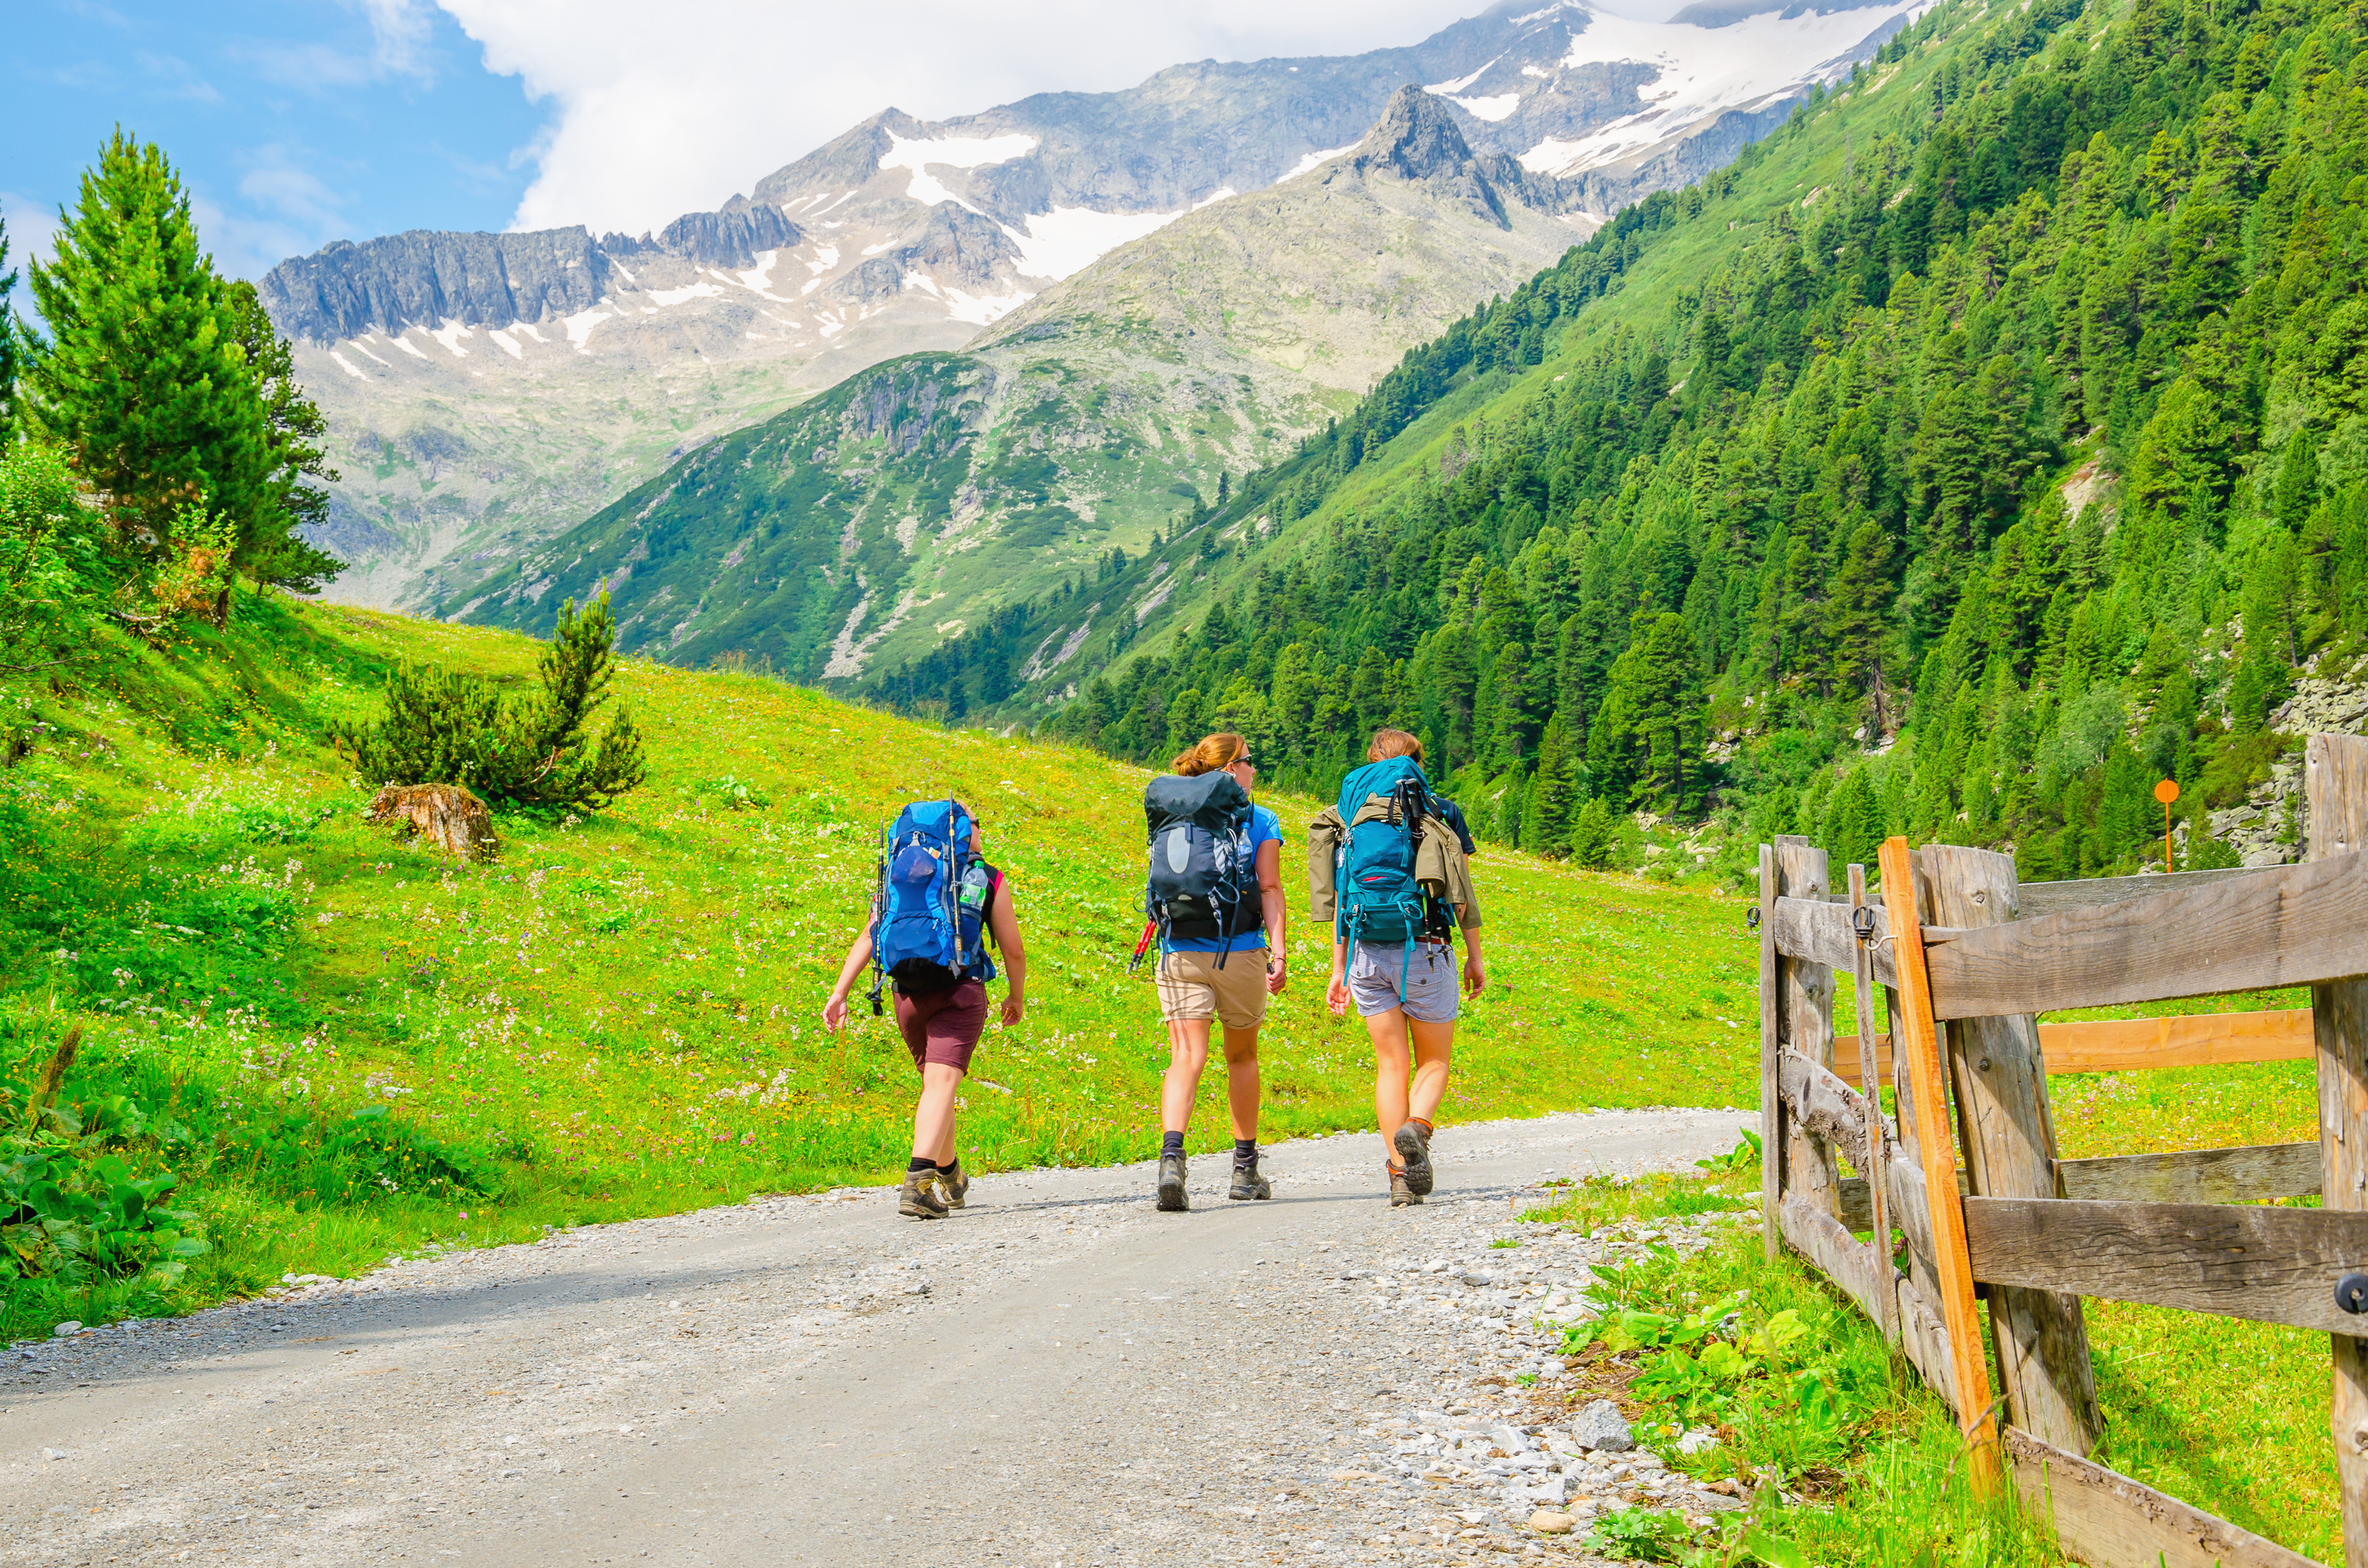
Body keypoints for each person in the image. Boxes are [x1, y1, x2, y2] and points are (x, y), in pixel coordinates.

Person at [823, 802, 1026, 1219]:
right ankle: (917, 1184)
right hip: (959, 992)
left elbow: (870, 934)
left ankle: (950, 1173)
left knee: (937, 1087)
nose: (979, 830)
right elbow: (1014, 950)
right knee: (940, 1086)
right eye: (976, 823)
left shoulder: (903, 873)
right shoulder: (987, 877)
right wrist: (1015, 996)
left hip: (906, 995)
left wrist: (840, 992)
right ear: (964, 831)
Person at [1314, 729, 1486, 1207]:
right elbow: (1460, 892)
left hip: (1367, 953)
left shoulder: (1349, 817)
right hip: (1426, 946)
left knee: (1390, 1065)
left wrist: (1338, 967)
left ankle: (1398, 1178)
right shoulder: (1439, 810)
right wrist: (1474, 957)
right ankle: (1418, 1128)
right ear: (1416, 762)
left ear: (1372, 762)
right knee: (1434, 1060)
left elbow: (1344, 895)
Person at [1149, 732, 1287, 1211]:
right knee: (1242, 1057)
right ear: (1232, 769)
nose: (1254, 770)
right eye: (1250, 761)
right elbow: (1269, 887)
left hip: (1178, 950)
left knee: (1186, 1056)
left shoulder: (1173, 813)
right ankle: (1245, 1171)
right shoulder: (1261, 819)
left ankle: (1171, 1161)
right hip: (1241, 951)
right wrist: (1282, 952)